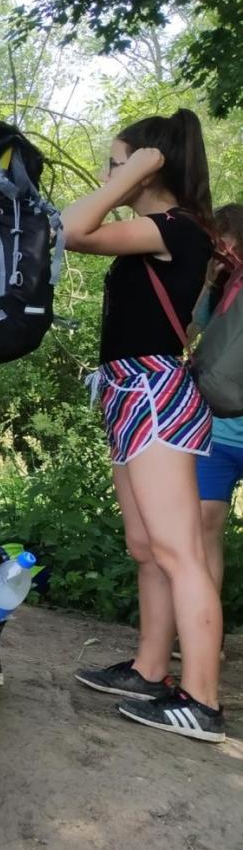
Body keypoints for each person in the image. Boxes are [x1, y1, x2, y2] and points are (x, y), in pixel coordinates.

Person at [66, 111, 224, 742]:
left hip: (155, 396)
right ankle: (150, 670)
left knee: (180, 552)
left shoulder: (175, 231)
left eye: (118, 161)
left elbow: (73, 229)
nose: (111, 174)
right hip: (131, 394)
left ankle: (204, 703)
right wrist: (129, 170)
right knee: (146, 547)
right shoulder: (156, 231)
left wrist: (132, 171)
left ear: (151, 164)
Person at [194, 203, 243, 625]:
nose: (222, 248)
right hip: (218, 433)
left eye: (226, 239)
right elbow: (192, 333)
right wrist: (210, 282)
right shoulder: (221, 287)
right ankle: (207, 631)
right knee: (206, 526)